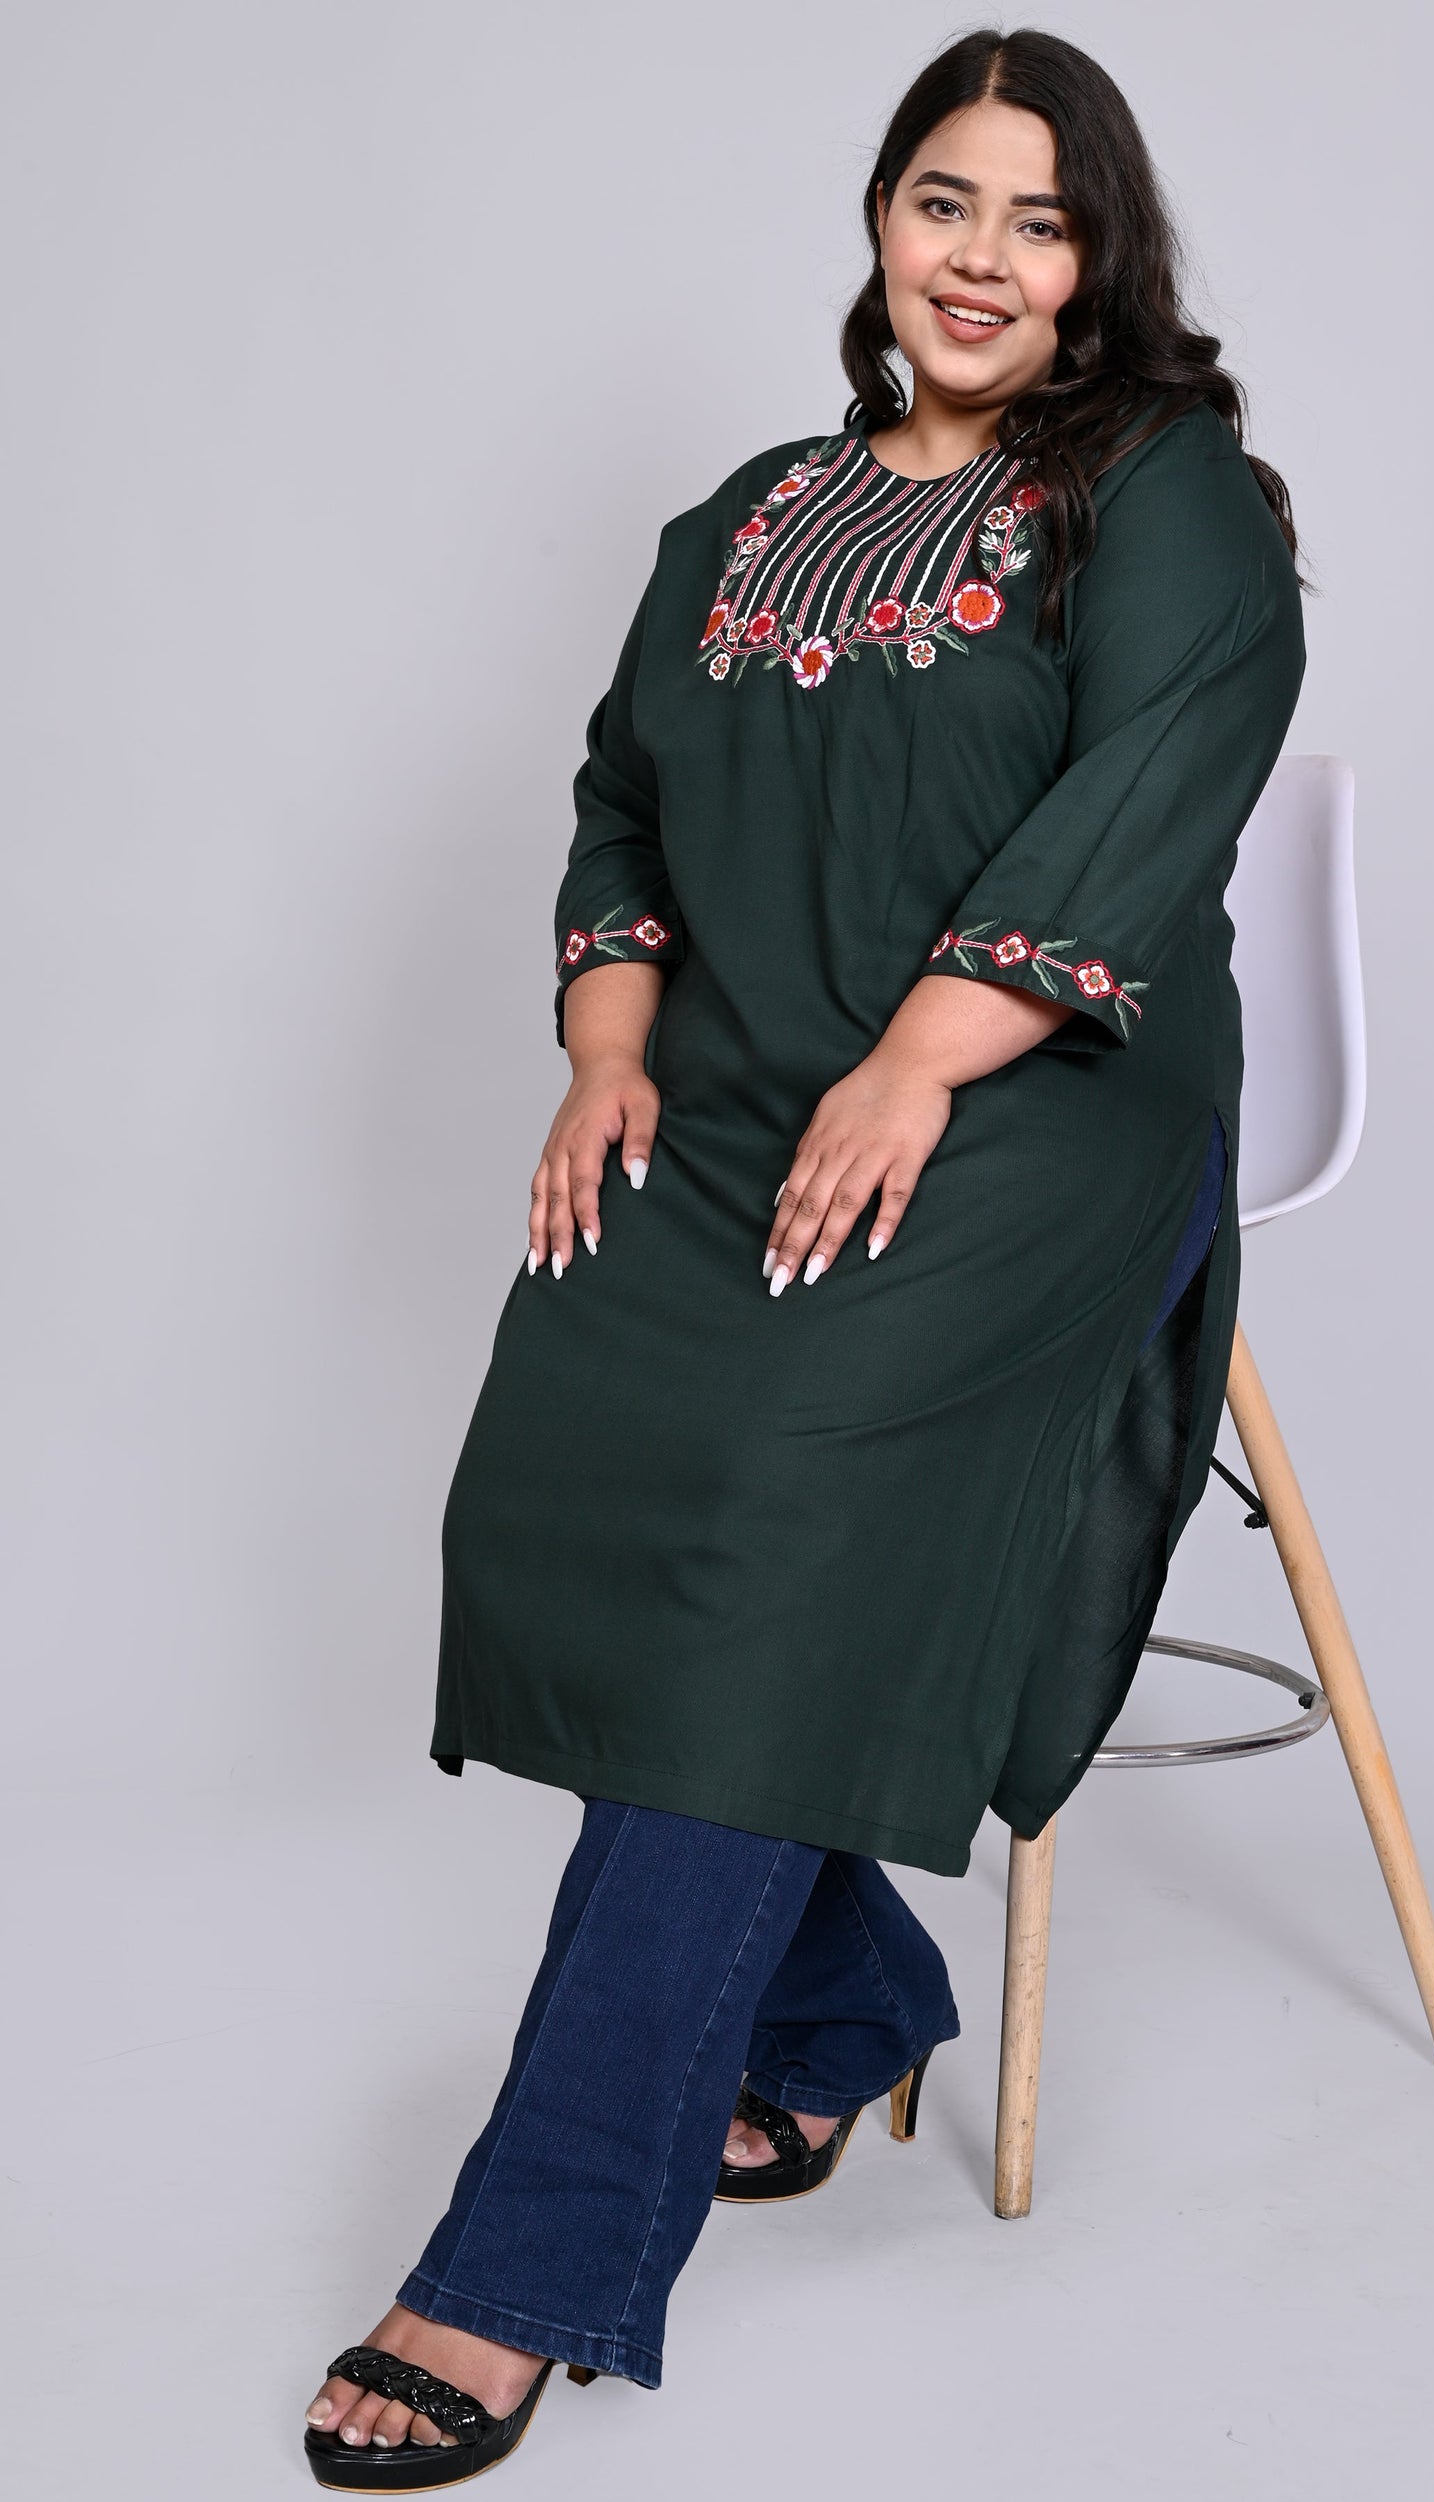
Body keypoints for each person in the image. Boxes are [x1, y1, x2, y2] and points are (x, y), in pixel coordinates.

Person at [303, 23, 1304, 2486]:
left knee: (766, 1542)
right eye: (945, 201)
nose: (982, 259)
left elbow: (1153, 790)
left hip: (1042, 1109)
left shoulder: (1160, 491)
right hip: (737, 1091)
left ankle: (522, 2264)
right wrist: (603, 1052)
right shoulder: (749, 512)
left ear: (1098, 266)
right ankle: (841, 2007)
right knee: (572, 1496)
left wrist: (917, 1065)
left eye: (1041, 222)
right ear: (879, 218)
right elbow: (621, 802)